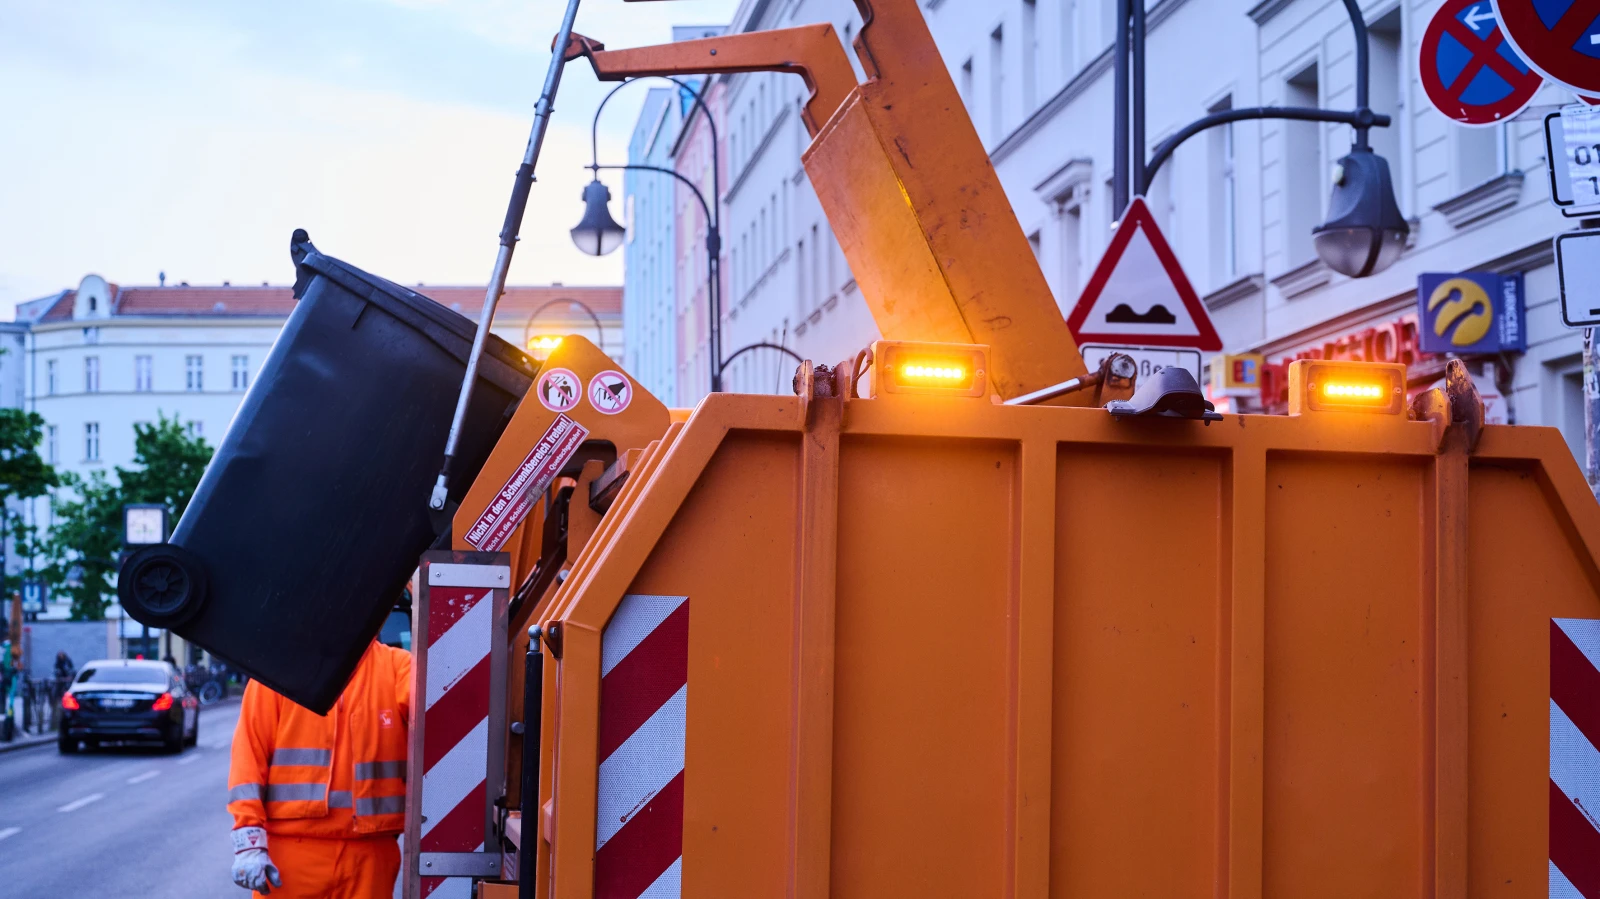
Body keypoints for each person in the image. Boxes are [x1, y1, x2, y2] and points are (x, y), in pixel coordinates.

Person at [227, 640, 410, 897]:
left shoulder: (398, 667)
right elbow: (248, 760)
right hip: (294, 855)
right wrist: (248, 844)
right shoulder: (277, 672)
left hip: (368, 853)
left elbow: (435, 708)